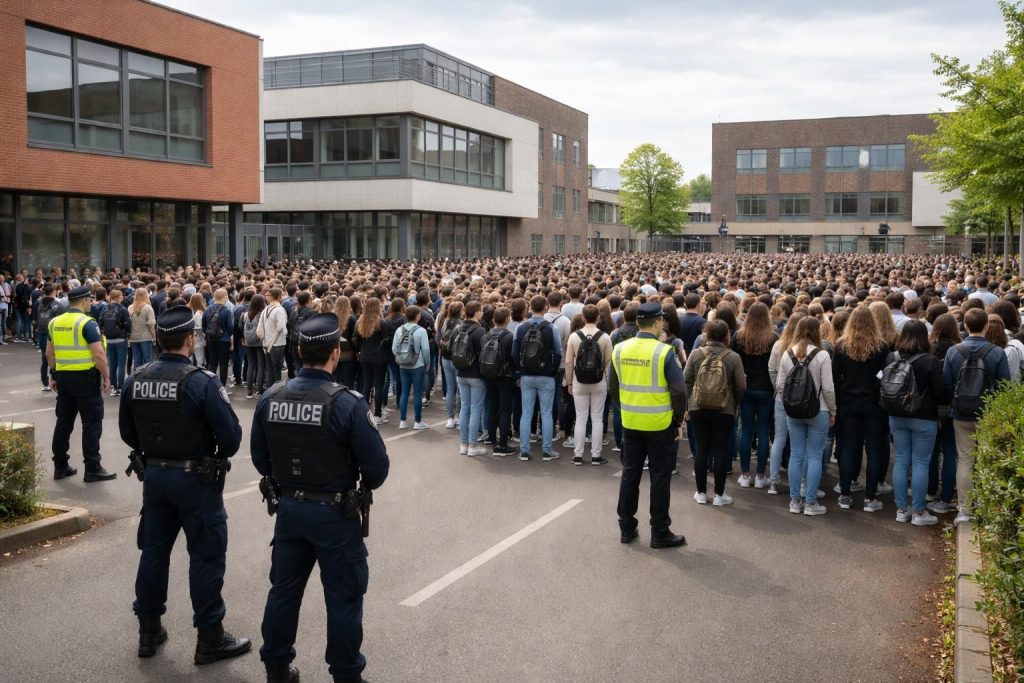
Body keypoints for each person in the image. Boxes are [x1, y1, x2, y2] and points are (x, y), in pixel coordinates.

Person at [251, 313, 390, 683]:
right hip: (334, 513)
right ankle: (346, 674)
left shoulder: (271, 396)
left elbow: (259, 459)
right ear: (335, 352)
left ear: (297, 351)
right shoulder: (347, 403)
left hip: (290, 509)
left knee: (284, 591)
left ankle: (276, 668)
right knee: (343, 598)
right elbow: (376, 470)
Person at [118, 306, 250, 665]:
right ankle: (210, 637)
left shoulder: (136, 378)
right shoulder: (201, 382)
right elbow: (232, 438)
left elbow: (128, 433)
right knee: (206, 557)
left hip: (156, 478)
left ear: (158, 339)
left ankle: (148, 630)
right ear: (190, 340)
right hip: (196, 479)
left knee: (154, 553)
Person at [610, 301, 687, 548]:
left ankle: (626, 526)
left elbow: (613, 386)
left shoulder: (620, 349)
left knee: (630, 474)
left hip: (631, 421)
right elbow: (679, 391)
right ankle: (660, 530)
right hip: (659, 423)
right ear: (656, 323)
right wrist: (678, 420)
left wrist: (624, 410)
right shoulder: (664, 352)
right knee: (660, 477)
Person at [944, 307, 1011, 527]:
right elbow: (1005, 386)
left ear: (965, 325)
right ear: (985, 326)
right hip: (988, 412)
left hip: (961, 412)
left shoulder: (954, 351)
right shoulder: (997, 352)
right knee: (986, 458)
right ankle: (986, 505)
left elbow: (947, 384)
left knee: (964, 459)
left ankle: (964, 509)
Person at [46, 285, 115, 482]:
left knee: (63, 423)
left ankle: (60, 466)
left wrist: (54, 375)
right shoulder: (87, 323)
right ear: (84, 301)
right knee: (91, 424)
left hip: (64, 378)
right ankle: (92, 467)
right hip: (86, 379)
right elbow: (99, 354)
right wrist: (107, 376)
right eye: (90, 300)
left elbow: (49, 353)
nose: (91, 303)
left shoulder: (54, 322)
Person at [883, 320, 946, 526]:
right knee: (921, 463)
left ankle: (901, 509)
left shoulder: (892, 357)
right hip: (924, 416)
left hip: (896, 414)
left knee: (901, 460)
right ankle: (919, 511)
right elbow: (939, 392)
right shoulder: (930, 361)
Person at [832, 306, 891, 512]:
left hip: (848, 402)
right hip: (873, 403)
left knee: (849, 447)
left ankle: (845, 493)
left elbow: (835, 377)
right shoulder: (881, 347)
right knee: (873, 449)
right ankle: (870, 497)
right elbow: (885, 375)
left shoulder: (841, 346)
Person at [776, 316, 836, 516]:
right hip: (819, 409)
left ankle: (794, 500)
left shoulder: (788, 354)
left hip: (794, 410)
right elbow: (828, 388)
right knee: (815, 455)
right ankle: (810, 502)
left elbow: (780, 385)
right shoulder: (822, 355)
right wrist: (833, 410)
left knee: (796, 454)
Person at [684, 318, 746, 506]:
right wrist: (734, 403)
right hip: (724, 408)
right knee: (720, 450)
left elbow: (686, 379)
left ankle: (701, 492)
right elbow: (741, 386)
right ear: (727, 335)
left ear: (707, 334)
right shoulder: (733, 357)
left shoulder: (696, 354)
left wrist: (689, 402)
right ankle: (719, 495)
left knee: (702, 449)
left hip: (698, 407)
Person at [732, 302, 776, 489]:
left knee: (747, 429)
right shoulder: (773, 338)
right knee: (764, 430)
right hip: (766, 388)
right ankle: (759, 476)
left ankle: (744, 474)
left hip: (746, 387)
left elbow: (733, 360)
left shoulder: (739, 336)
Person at [512, 295, 561, 461]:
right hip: (546, 374)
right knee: (546, 413)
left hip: (526, 374)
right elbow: (558, 352)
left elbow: (514, 352)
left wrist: (519, 371)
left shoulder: (521, 327)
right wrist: (553, 370)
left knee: (526, 413)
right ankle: (547, 450)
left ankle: (524, 450)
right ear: (546, 307)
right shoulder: (551, 328)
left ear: (530, 307)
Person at [565, 303, 613, 466]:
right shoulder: (605, 337)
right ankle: (596, 455)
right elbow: (608, 363)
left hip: (579, 380)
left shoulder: (574, 337)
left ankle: (578, 455)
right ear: (598, 318)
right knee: (597, 418)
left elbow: (569, 362)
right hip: (599, 381)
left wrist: (569, 381)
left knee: (581, 417)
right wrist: (607, 381)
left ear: (583, 317)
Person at [454, 300, 487, 456]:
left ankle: (463, 445)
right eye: (481, 310)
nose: (482, 313)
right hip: (476, 374)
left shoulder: (458, 328)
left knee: (464, 408)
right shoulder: (480, 331)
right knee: (475, 410)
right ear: (476, 312)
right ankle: (473, 446)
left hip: (461, 372)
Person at [483, 306, 517, 456]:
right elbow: (514, 357)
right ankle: (502, 444)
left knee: (492, 407)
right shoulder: (509, 337)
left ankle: (491, 437)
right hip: (506, 376)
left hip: (489, 374)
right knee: (504, 410)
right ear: (508, 319)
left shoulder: (486, 335)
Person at [392, 304, 431, 430]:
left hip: (403, 365)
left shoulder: (399, 330)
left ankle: (402, 421)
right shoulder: (421, 331)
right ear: (418, 316)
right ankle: (417, 421)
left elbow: (394, 348)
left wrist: (401, 357)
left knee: (404, 392)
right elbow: (425, 349)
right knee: (418, 393)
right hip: (417, 364)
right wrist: (427, 363)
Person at [102, 289, 131, 396]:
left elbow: (101, 321)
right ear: (117, 297)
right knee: (121, 364)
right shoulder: (122, 309)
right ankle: (120, 387)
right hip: (120, 339)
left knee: (112, 365)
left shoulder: (105, 308)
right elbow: (128, 324)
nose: (122, 298)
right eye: (121, 297)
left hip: (109, 339)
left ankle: (113, 387)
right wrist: (128, 336)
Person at [204, 288, 234, 386]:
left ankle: (211, 384)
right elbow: (230, 327)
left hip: (210, 339)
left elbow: (204, 324)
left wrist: (208, 333)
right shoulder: (227, 310)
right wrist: (227, 335)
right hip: (223, 339)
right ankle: (222, 386)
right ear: (225, 297)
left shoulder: (208, 309)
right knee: (223, 364)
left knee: (212, 363)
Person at [129, 288, 157, 367]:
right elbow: (151, 324)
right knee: (147, 360)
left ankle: (137, 377)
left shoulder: (130, 307)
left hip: (133, 337)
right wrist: (154, 336)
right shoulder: (148, 308)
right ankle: (147, 378)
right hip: (146, 337)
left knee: (137, 360)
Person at [188, 293, 207, 368]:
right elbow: (199, 328)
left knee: (192, 358)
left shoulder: (190, 311)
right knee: (200, 358)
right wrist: (203, 337)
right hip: (198, 338)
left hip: (191, 337)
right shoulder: (199, 313)